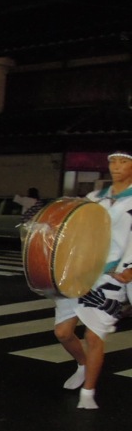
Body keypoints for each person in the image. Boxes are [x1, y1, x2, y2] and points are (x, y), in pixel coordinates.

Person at [53, 148, 132, 409]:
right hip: (81, 271)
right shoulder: (94, 198)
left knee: (94, 336)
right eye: (113, 161)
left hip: (111, 275)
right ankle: (83, 365)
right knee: (63, 332)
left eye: (123, 162)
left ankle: (88, 393)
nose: (116, 166)